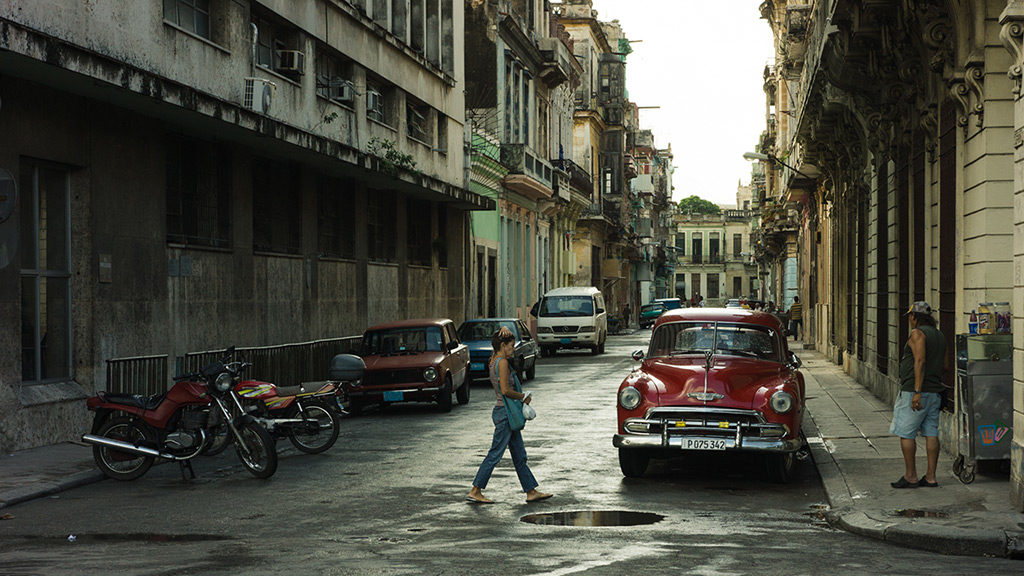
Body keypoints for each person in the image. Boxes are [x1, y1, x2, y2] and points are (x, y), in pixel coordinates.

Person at [467, 326, 552, 504]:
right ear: (502, 346)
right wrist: (523, 396)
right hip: (506, 413)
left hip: (506, 413)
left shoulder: (493, 360)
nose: (513, 349)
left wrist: (503, 330)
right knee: (495, 454)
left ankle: (531, 491)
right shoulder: (502, 363)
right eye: (511, 346)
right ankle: (476, 490)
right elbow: (505, 390)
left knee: (519, 455)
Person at [890, 301, 946, 489]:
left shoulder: (917, 334)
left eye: (910, 317)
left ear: (914, 317)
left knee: (906, 433)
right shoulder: (939, 336)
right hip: (934, 392)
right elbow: (945, 365)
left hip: (915, 392)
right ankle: (931, 477)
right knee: (931, 433)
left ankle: (911, 476)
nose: (909, 320)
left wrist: (917, 391)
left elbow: (920, 360)